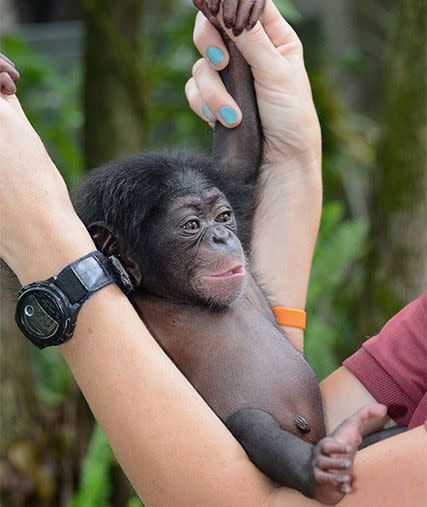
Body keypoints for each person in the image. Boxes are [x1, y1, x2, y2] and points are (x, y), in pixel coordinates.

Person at [0, 1, 425, 505]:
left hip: (308, 461)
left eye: (223, 219)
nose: (226, 239)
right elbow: (23, 212)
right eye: (193, 226)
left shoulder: (205, 265)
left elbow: (238, 159)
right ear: (125, 257)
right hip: (286, 452)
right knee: (251, 425)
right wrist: (238, 27)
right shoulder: (147, 303)